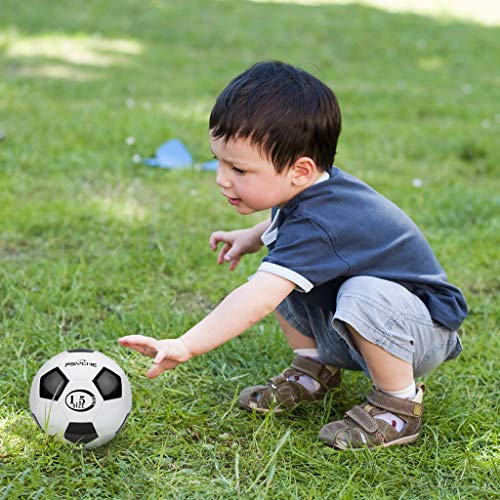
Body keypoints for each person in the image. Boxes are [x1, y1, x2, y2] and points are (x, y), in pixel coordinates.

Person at [119, 61, 467, 449]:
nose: (221, 178)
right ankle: (314, 369)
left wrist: (186, 345)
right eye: (218, 160)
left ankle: (399, 407)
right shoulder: (304, 189)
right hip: (378, 326)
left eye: (238, 168)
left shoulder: (323, 221)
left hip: (421, 331)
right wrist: (254, 236)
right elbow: (289, 225)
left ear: (300, 170)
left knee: (303, 286)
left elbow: (255, 300)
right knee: (284, 265)